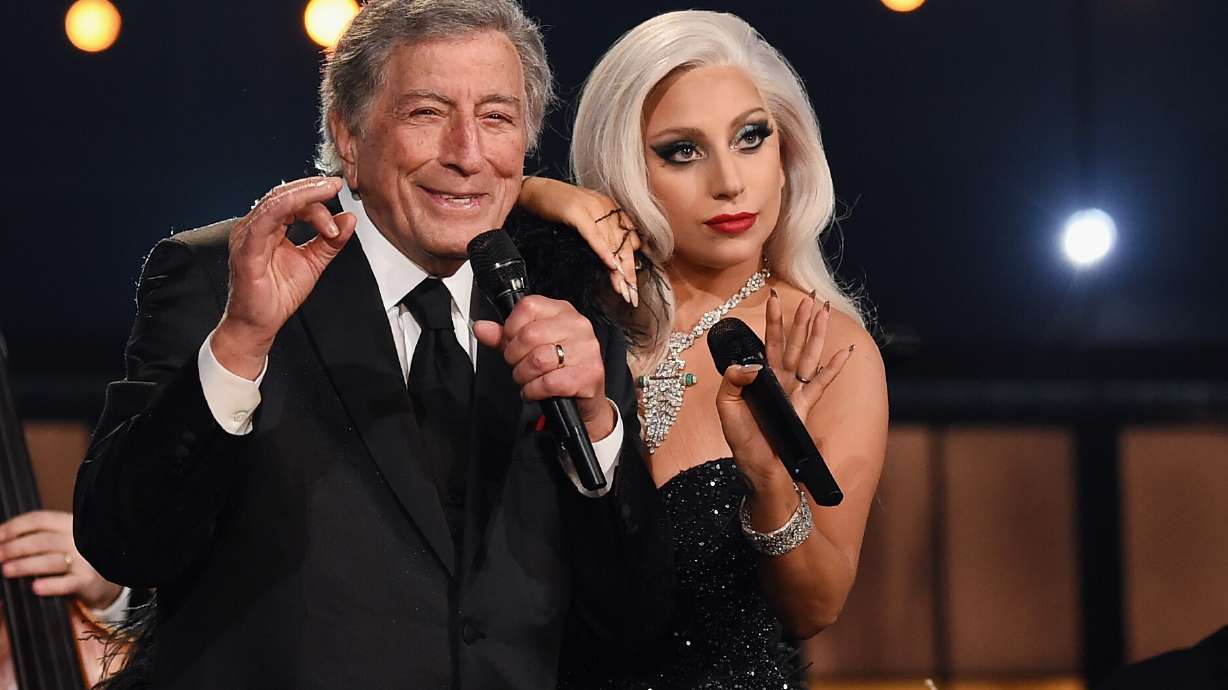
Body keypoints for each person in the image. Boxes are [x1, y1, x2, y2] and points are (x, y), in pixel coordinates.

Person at [72, 1, 671, 688]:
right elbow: (126, 543)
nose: (468, 154)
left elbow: (632, 625)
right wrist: (240, 343)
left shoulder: (565, 319)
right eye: (427, 113)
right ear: (348, 135)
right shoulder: (225, 280)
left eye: (497, 118)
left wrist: (595, 424)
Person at [517, 10, 889, 688]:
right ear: (625, 165)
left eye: (751, 139)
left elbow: (817, 606)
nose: (729, 182)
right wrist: (540, 194)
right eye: (681, 151)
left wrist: (770, 480)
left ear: (788, 156)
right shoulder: (565, 303)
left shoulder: (825, 346)